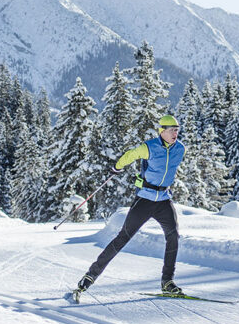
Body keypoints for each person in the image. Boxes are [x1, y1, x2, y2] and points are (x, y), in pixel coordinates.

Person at [77, 114, 187, 296]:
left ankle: (167, 282)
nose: (175, 133)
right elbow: (130, 155)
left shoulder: (180, 149)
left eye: (177, 130)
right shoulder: (149, 147)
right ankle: (90, 276)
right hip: (145, 199)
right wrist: (117, 167)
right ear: (162, 131)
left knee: (173, 236)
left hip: (164, 200)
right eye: (171, 130)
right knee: (123, 238)